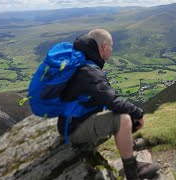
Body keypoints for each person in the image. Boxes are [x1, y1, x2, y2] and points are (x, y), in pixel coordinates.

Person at [57, 29, 160, 179]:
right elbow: (112, 100)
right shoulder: (89, 71)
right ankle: (133, 172)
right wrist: (138, 114)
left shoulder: (82, 64)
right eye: (111, 46)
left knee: (123, 116)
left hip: (73, 121)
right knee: (123, 119)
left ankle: (130, 152)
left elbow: (102, 100)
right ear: (104, 46)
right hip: (73, 130)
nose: (111, 49)